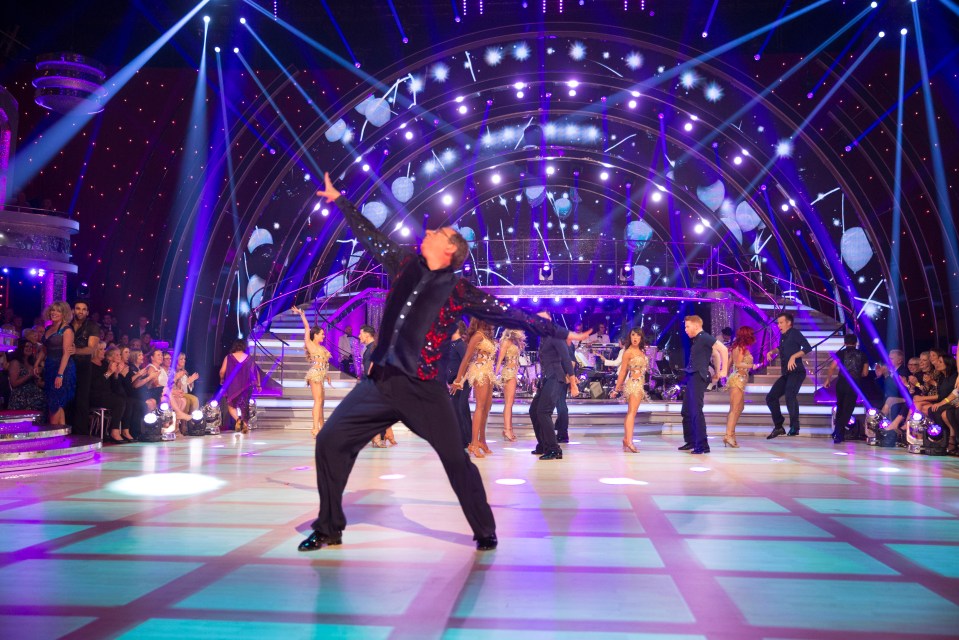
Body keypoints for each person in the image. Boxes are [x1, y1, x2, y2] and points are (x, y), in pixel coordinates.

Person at [299, 173, 588, 553]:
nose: (430, 230)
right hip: (381, 383)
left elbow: (510, 314)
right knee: (330, 441)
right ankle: (330, 526)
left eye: (439, 231)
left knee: (456, 460)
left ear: (450, 249)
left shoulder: (458, 289)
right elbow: (370, 235)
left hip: (423, 389)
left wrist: (561, 334)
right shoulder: (404, 264)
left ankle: (485, 530)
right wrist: (340, 201)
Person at [527, 311, 584, 461]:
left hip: (556, 378)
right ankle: (544, 445)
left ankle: (554, 449)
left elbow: (566, 359)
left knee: (543, 412)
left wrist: (573, 384)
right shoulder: (544, 336)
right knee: (534, 411)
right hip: (546, 379)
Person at [679, 315, 728, 454]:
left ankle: (702, 445)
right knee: (687, 411)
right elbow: (715, 355)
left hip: (698, 377)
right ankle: (691, 441)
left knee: (695, 411)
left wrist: (723, 370)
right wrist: (717, 372)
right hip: (692, 376)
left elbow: (723, 350)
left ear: (696, 325)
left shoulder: (705, 337)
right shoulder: (699, 340)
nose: (686, 329)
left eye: (687, 326)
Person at [453, 319, 497, 458]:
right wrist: (458, 379)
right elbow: (466, 359)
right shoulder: (477, 336)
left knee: (487, 407)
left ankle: (482, 441)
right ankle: (473, 443)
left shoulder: (486, 336)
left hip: (489, 372)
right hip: (479, 372)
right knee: (480, 406)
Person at [764, 312, 812, 438]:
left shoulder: (795, 333)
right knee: (771, 397)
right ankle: (779, 426)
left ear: (788, 323)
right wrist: (772, 351)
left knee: (790, 395)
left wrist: (794, 356)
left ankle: (795, 427)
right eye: (778, 323)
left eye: (781, 322)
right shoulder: (784, 336)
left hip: (796, 371)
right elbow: (781, 348)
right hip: (786, 373)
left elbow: (807, 347)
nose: (779, 325)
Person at [293, 306, 333, 437]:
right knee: (318, 401)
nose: (323, 335)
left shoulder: (321, 347)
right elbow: (306, 328)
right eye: (322, 333)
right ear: (315, 335)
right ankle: (315, 428)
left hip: (321, 374)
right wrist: (302, 315)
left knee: (322, 402)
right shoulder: (310, 344)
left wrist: (326, 375)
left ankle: (322, 428)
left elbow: (324, 363)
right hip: (315, 374)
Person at [823, 334, 869, 444]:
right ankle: (838, 432)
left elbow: (832, 367)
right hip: (854, 384)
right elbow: (865, 373)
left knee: (840, 406)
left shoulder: (841, 353)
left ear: (844, 343)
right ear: (856, 343)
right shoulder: (862, 354)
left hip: (842, 383)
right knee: (848, 409)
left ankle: (838, 432)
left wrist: (828, 380)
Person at [36, 301, 76, 426]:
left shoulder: (67, 330)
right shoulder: (48, 328)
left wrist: (60, 375)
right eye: (53, 310)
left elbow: (66, 353)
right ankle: (62, 437)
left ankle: (53, 435)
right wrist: (37, 363)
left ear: (64, 313)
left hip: (63, 368)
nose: (54, 312)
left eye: (58, 310)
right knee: (56, 403)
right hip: (50, 367)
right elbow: (44, 349)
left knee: (55, 403)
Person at [608, 327, 648, 453]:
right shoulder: (628, 352)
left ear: (641, 338)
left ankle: (626, 439)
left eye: (638, 335)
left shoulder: (642, 351)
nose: (635, 338)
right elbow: (623, 372)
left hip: (640, 384)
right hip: (633, 385)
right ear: (630, 337)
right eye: (633, 335)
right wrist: (616, 389)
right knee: (631, 413)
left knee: (631, 413)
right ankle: (629, 441)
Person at [723, 326, 757, 448]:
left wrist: (725, 376)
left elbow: (729, 362)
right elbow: (737, 364)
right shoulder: (742, 348)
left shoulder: (735, 347)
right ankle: (728, 435)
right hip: (738, 379)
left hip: (738, 380)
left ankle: (731, 433)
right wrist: (752, 366)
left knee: (739, 407)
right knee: (735, 409)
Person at [70, 300, 100, 435]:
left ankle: (80, 433)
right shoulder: (67, 325)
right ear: (73, 310)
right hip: (67, 365)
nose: (80, 311)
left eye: (83, 309)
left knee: (81, 399)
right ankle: (67, 429)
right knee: (68, 397)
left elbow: (91, 349)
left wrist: (74, 351)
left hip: (83, 366)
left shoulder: (92, 326)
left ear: (87, 312)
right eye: (78, 308)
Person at [218, 340, 259, 433]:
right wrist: (257, 384)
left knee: (231, 405)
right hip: (246, 385)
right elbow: (253, 372)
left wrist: (222, 379)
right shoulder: (249, 358)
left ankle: (238, 420)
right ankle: (244, 424)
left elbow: (222, 371)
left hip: (232, 385)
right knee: (244, 406)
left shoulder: (228, 357)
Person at [496, 328, 525, 443]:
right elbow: (499, 361)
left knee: (510, 403)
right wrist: (494, 375)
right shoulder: (506, 342)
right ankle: (507, 430)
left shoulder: (515, 342)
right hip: (508, 373)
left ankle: (509, 429)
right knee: (508, 403)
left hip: (514, 373)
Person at [446, 321, 472, 447]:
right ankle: (461, 438)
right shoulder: (452, 345)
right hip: (453, 383)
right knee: (456, 409)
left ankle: (467, 438)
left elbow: (468, 364)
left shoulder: (461, 345)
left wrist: (460, 381)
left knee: (461, 408)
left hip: (462, 383)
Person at [7, 340, 45, 412]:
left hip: (35, 395)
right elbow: (14, 383)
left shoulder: (32, 363)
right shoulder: (15, 362)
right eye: (26, 346)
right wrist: (30, 375)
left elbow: (37, 382)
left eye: (31, 347)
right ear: (21, 348)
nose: (29, 348)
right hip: (21, 396)